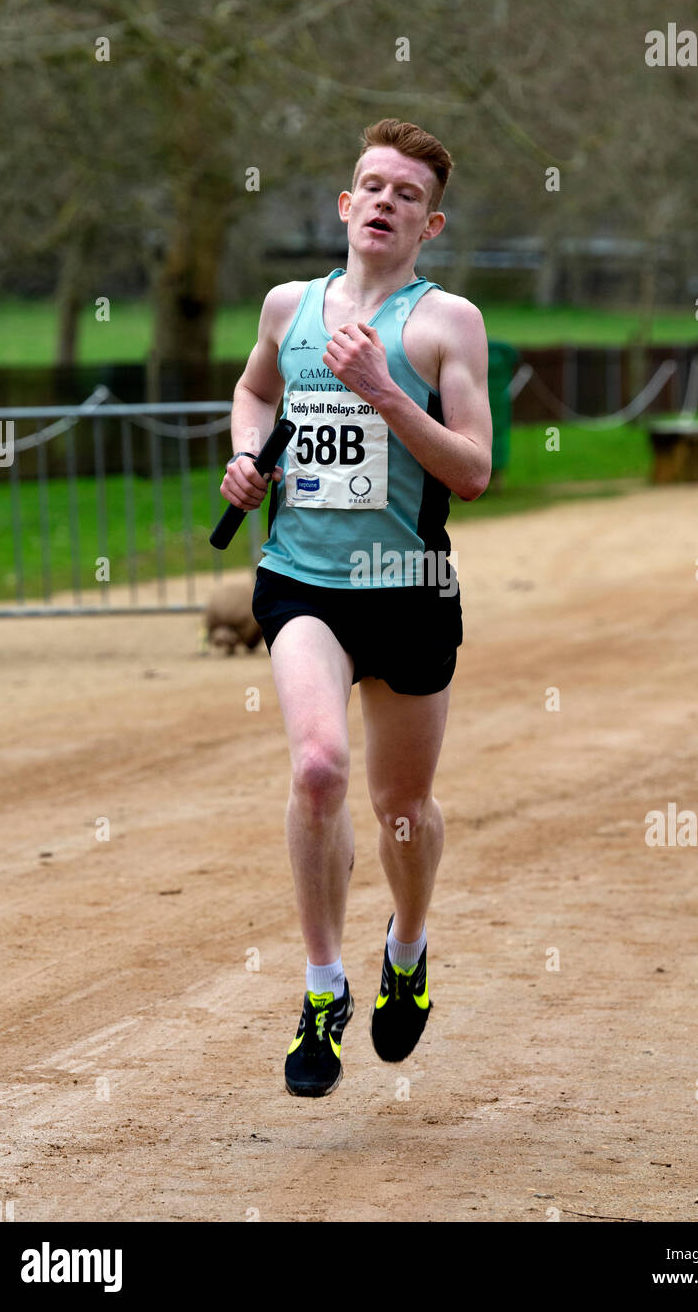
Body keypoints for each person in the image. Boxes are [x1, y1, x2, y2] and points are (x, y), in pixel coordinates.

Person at [220, 118, 492, 1097]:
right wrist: (248, 457)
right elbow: (252, 393)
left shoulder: (444, 323)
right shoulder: (288, 305)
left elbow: (472, 471)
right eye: (369, 185)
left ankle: (407, 953)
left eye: (405, 194)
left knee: (400, 808)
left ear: (429, 223)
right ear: (344, 205)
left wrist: (383, 392)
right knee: (319, 767)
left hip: (408, 590)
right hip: (303, 582)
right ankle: (322, 986)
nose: (383, 201)